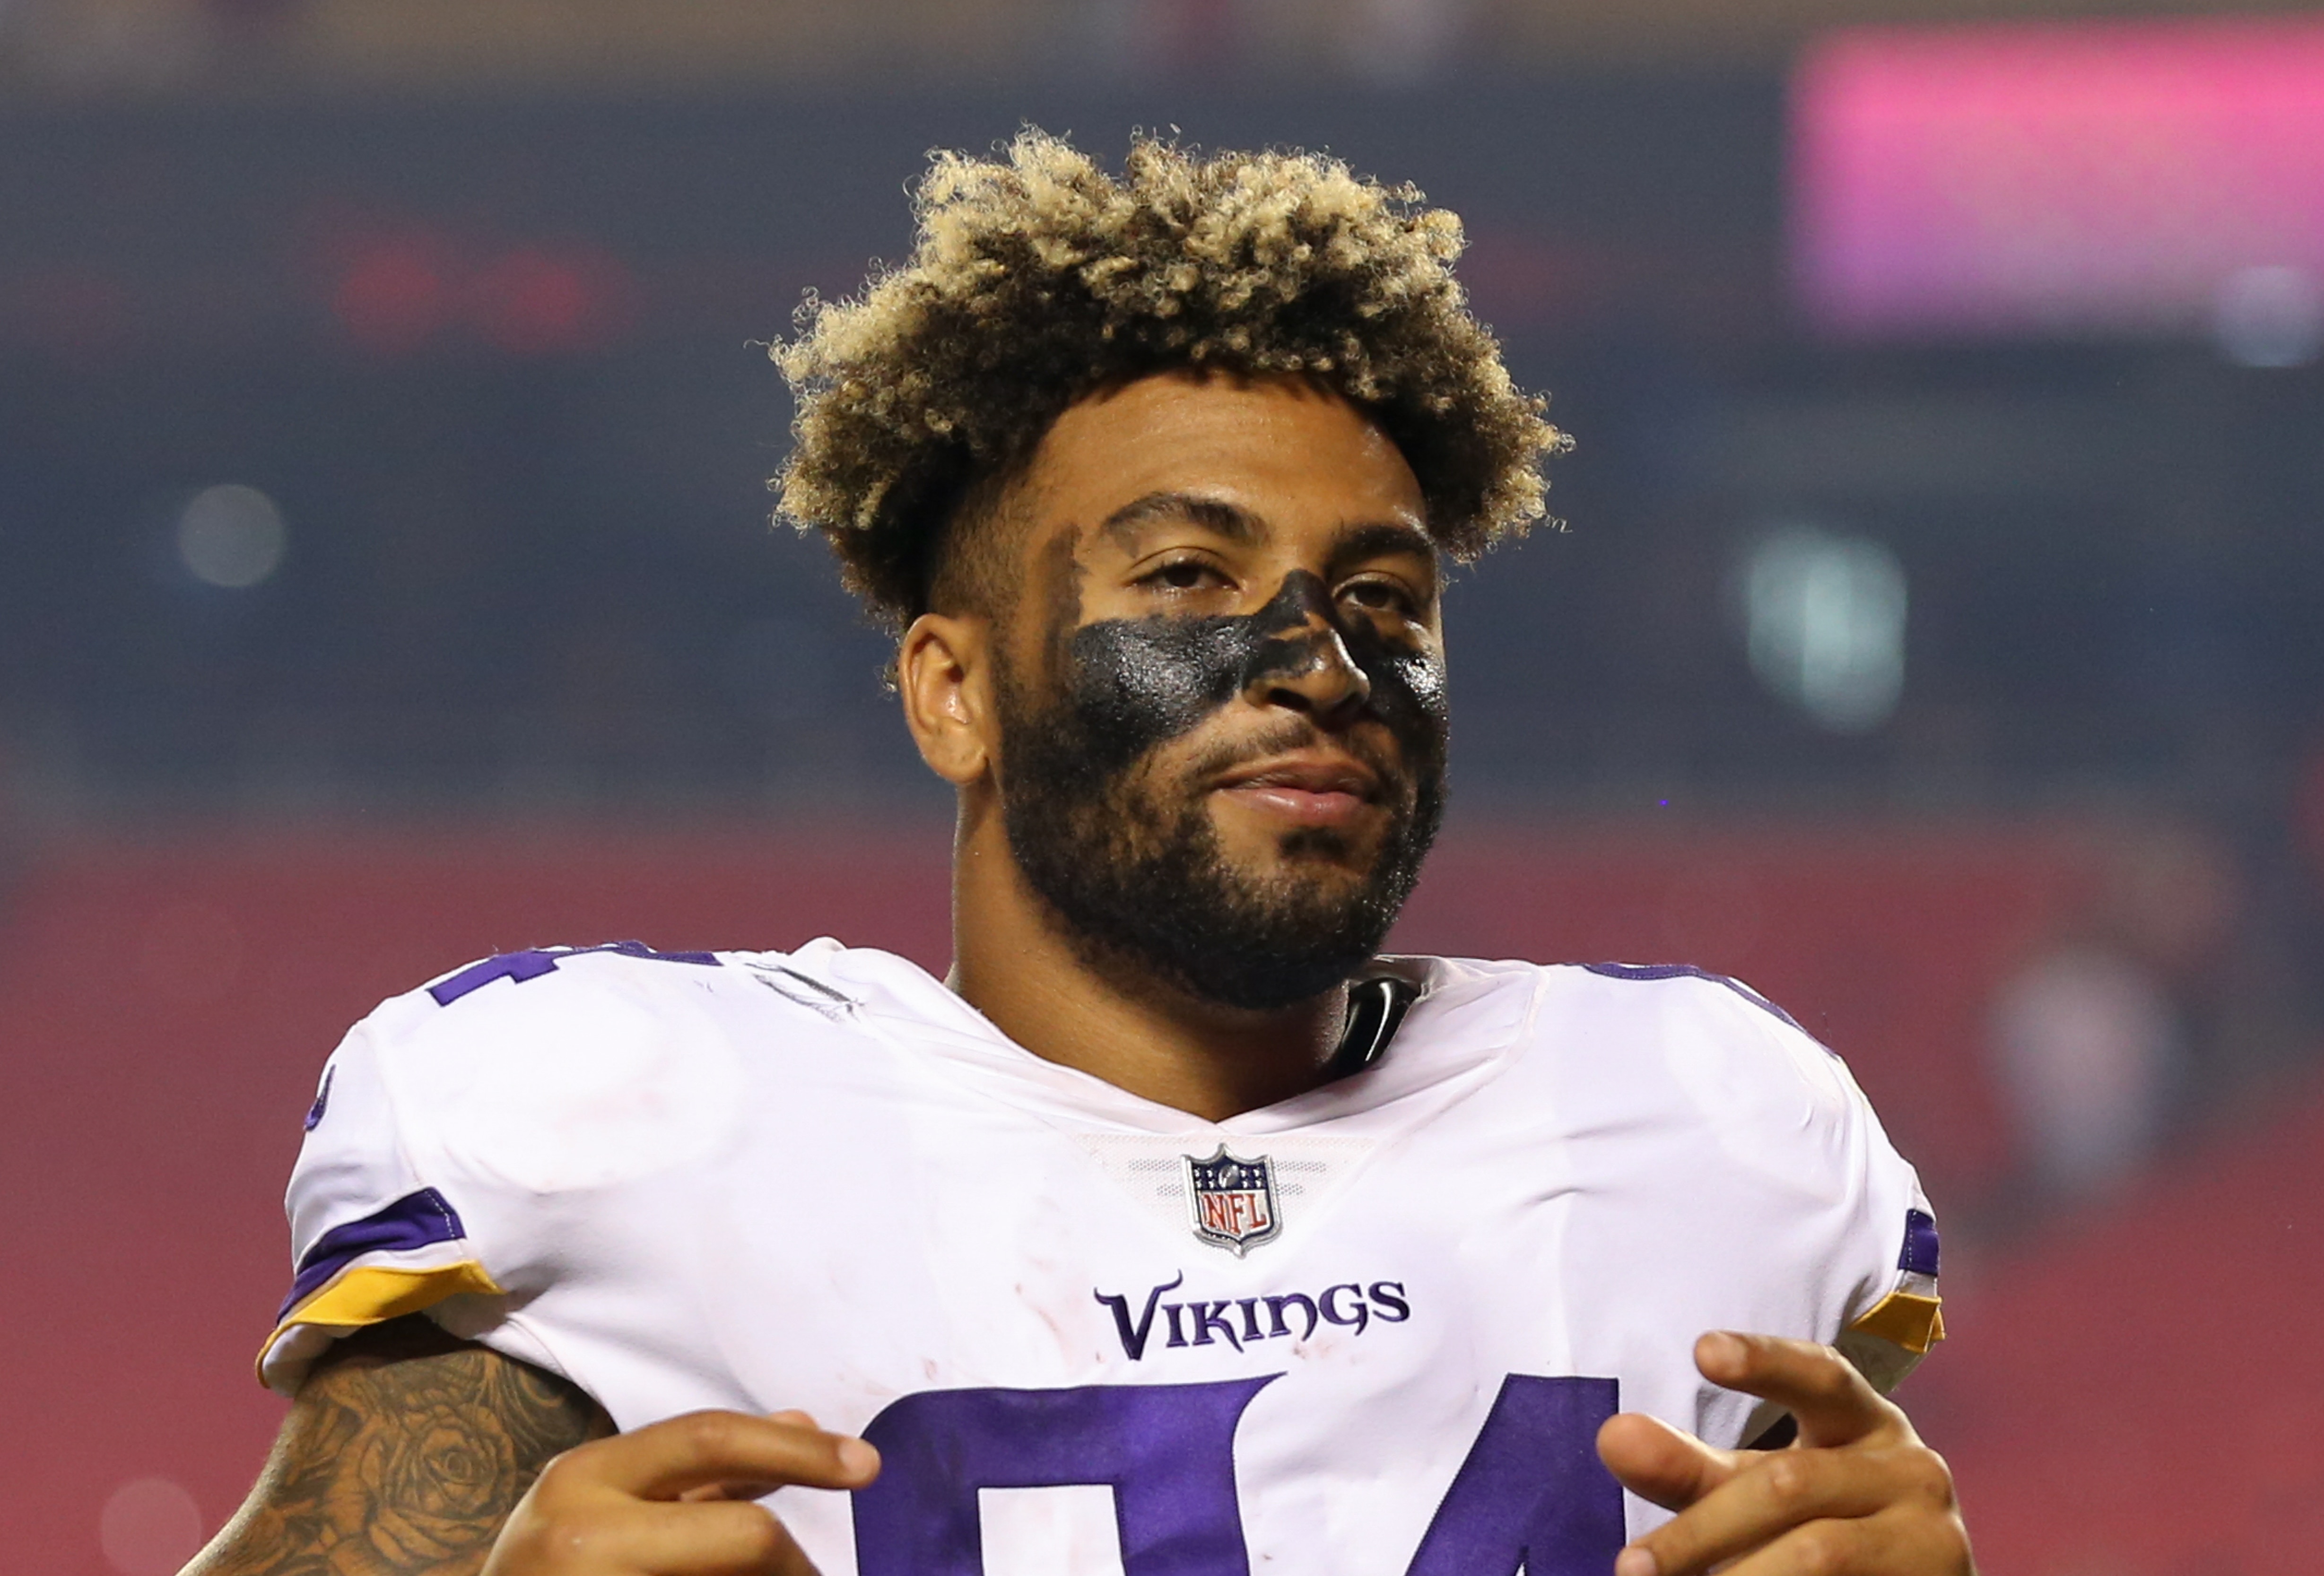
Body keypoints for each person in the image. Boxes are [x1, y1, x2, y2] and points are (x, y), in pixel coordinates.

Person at [191, 132, 1972, 1576]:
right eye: (1188, 580)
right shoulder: (616, 1117)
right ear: (951, 693)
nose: (1318, 664)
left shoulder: (1703, 1119)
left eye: (1382, 601)